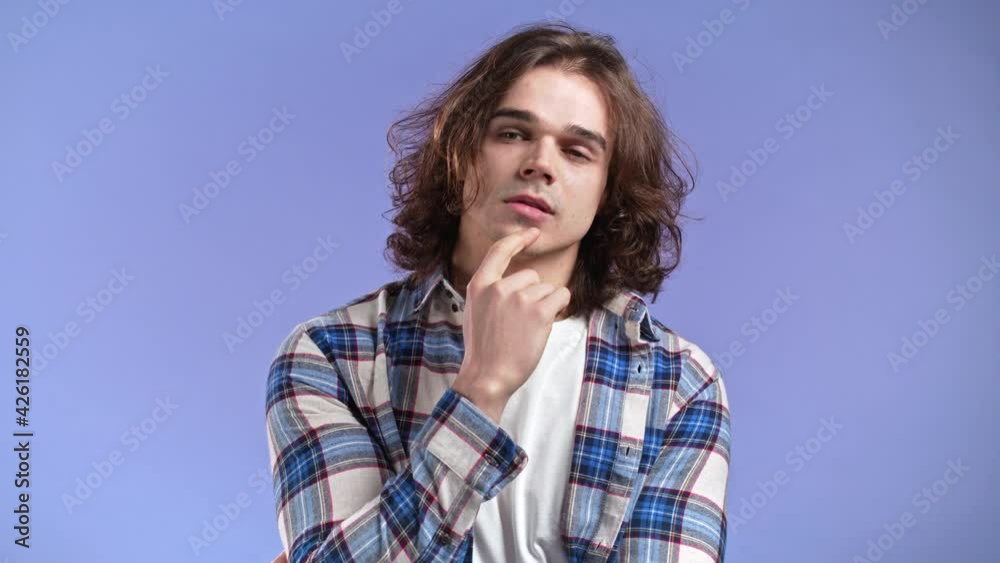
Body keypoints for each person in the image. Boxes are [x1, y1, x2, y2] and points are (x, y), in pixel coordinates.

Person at [266, 21, 731, 563]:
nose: (540, 163)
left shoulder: (679, 382)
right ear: (458, 152)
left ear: (609, 192)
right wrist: (482, 389)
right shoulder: (332, 354)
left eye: (578, 151)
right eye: (512, 133)